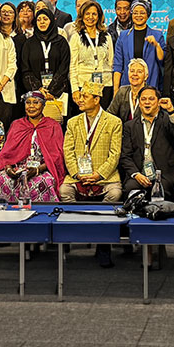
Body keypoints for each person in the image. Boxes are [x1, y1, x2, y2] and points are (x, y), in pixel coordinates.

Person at [60, 82, 123, 267]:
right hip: (79, 174)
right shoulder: (73, 122)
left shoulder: (114, 122)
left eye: (85, 96)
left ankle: (103, 244)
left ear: (97, 99)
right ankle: (77, 232)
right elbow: (68, 151)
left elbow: (115, 154)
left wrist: (98, 175)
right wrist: (77, 173)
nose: (80, 100)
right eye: (80, 96)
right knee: (64, 191)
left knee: (115, 194)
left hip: (105, 176)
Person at [0, 92, 65, 203]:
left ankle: (42, 213)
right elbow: (7, 153)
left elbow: (56, 156)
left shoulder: (52, 126)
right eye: (28, 103)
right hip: (17, 168)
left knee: (44, 182)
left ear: (43, 105)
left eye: (36, 103)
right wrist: (9, 169)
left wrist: (38, 170)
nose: (31, 106)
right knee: (2, 179)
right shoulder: (17, 125)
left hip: (42, 169)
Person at [120, 86, 174, 200]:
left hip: (164, 175)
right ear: (139, 103)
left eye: (151, 99)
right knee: (130, 188)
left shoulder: (167, 120)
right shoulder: (130, 126)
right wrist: (136, 174)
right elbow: (125, 156)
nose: (147, 102)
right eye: (143, 99)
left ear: (158, 102)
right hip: (139, 174)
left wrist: (171, 110)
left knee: (163, 189)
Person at [19, 2, 71, 122]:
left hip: (58, 93)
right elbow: (25, 69)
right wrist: (39, 89)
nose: (42, 22)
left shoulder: (61, 42)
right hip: (36, 95)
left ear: (51, 21)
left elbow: (64, 67)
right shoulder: (29, 43)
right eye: (39, 19)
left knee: (57, 125)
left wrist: (52, 91)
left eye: (45, 19)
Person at [112, 0, 165, 92]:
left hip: (150, 86)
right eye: (135, 13)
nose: (138, 16)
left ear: (148, 15)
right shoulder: (123, 36)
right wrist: (116, 90)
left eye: (142, 13)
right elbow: (118, 65)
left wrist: (157, 45)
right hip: (128, 86)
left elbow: (162, 60)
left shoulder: (157, 35)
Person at [68, 0, 115, 107]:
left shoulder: (107, 36)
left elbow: (111, 62)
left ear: (99, 16)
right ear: (82, 16)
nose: (90, 17)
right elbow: (72, 66)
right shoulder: (76, 37)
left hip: (105, 85)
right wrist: (74, 89)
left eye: (94, 14)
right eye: (87, 14)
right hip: (83, 84)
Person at [107, 58, 149, 124]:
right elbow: (110, 115)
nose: (135, 74)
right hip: (123, 129)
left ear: (146, 76)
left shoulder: (150, 94)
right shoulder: (122, 91)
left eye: (139, 72)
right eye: (132, 71)